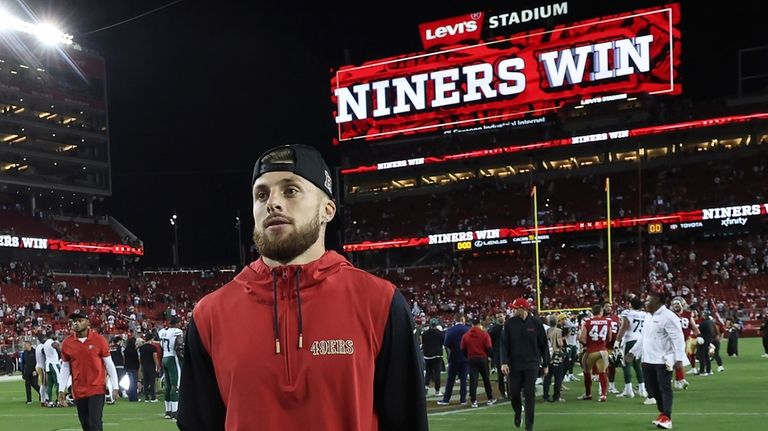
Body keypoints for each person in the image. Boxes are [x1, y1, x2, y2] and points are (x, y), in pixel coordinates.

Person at [177, 144, 427, 431]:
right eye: (261, 194)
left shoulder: (380, 302)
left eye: (290, 190)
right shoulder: (210, 315)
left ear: (327, 209)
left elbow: (407, 421)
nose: (272, 203)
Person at [626, 291, 685, 430]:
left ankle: (667, 417)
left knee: (664, 388)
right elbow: (643, 337)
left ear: (657, 301)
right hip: (648, 359)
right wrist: (633, 352)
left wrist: (679, 359)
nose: (645, 303)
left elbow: (678, 338)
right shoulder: (648, 316)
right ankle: (662, 413)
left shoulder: (669, 317)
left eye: (648, 300)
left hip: (663, 359)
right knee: (651, 389)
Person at [58, 310, 119, 431]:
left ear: (87, 322)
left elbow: (109, 364)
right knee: (85, 423)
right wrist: (61, 390)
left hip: (96, 387)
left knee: (95, 422)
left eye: (80, 320)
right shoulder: (67, 343)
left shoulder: (99, 340)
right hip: (79, 389)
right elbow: (65, 367)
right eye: (74, 321)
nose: (76, 323)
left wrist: (115, 387)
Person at [501, 297, 548, 431]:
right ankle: (517, 411)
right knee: (514, 393)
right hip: (514, 364)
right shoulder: (509, 324)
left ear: (523, 309)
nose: (512, 310)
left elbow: (543, 345)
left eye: (515, 308)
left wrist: (545, 364)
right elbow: (503, 345)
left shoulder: (536, 323)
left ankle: (529, 425)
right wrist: (504, 362)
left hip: (531, 363)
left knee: (529, 394)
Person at [577, 303, 611, 402]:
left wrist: (587, 344)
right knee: (603, 372)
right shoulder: (607, 321)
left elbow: (581, 338)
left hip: (591, 351)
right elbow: (609, 338)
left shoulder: (587, 322)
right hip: (603, 350)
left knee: (587, 372)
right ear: (601, 312)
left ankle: (588, 393)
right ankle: (603, 394)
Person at [615, 296, 647, 399]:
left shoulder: (627, 313)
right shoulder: (644, 314)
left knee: (626, 364)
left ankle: (628, 390)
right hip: (640, 340)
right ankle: (642, 389)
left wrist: (617, 341)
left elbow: (624, 327)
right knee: (638, 365)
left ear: (631, 304)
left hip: (629, 339)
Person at [461, 317, 496, 407]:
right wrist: (489, 356)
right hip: (483, 358)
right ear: (479, 324)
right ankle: (490, 398)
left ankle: (474, 401)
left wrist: (468, 356)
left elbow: (463, 349)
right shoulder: (484, 334)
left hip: (472, 359)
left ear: (472, 324)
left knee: (473, 380)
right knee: (486, 379)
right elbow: (489, 347)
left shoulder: (466, 335)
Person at [437, 314, 470, 406]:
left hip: (454, 357)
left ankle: (446, 399)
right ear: (462, 319)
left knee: (450, 380)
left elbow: (447, 344)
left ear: (455, 320)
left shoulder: (450, 330)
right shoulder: (468, 329)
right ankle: (463, 399)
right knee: (463, 379)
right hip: (465, 357)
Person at [158, 317, 184, 420]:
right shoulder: (177, 332)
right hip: (173, 358)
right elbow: (179, 346)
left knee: (168, 386)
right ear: (176, 323)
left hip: (164, 358)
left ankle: (168, 411)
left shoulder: (162, 332)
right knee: (175, 385)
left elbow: (161, 346)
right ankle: (175, 412)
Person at [542, 314, 566, 403]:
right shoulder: (558, 331)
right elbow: (560, 343)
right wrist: (564, 339)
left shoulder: (546, 331)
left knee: (547, 377)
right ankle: (556, 397)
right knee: (558, 377)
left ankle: (545, 397)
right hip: (557, 355)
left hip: (548, 355)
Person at [421, 318, 445, 397]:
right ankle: (437, 391)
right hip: (437, 355)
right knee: (437, 373)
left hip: (427, 355)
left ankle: (425, 389)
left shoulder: (425, 333)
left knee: (428, 373)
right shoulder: (440, 333)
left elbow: (423, 343)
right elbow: (442, 343)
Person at [487, 312, 507, 399]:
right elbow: (490, 343)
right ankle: (502, 392)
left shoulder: (509, 326)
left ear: (504, 316)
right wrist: (492, 355)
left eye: (501, 316)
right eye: (498, 316)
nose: (499, 318)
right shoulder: (493, 329)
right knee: (500, 375)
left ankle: (511, 392)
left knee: (511, 374)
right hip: (498, 354)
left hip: (508, 353)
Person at [137, 335, 160, 402]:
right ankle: (153, 397)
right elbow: (155, 357)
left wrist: (140, 366)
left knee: (145, 382)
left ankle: (146, 397)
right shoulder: (153, 348)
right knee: (152, 382)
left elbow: (140, 358)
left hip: (144, 365)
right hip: (151, 365)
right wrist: (158, 366)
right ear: (151, 339)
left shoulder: (141, 348)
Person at [43, 331, 62, 407]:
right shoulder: (51, 342)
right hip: (54, 364)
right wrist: (60, 355)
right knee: (58, 383)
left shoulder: (45, 344)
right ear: (51, 335)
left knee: (50, 384)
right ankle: (58, 400)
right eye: (54, 334)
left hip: (48, 364)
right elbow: (57, 346)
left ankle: (50, 401)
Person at [34, 333, 49, 407]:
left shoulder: (38, 347)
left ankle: (45, 398)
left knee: (44, 384)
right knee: (44, 384)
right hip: (42, 367)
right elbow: (45, 354)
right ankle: (43, 400)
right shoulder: (42, 347)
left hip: (39, 366)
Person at [123, 334, 140, 401]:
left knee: (130, 383)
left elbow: (124, 359)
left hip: (127, 367)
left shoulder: (126, 350)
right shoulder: (134, 350)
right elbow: (137, 359)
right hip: (134, 368)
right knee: (134, 383)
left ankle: (130, 397)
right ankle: (134, 397)